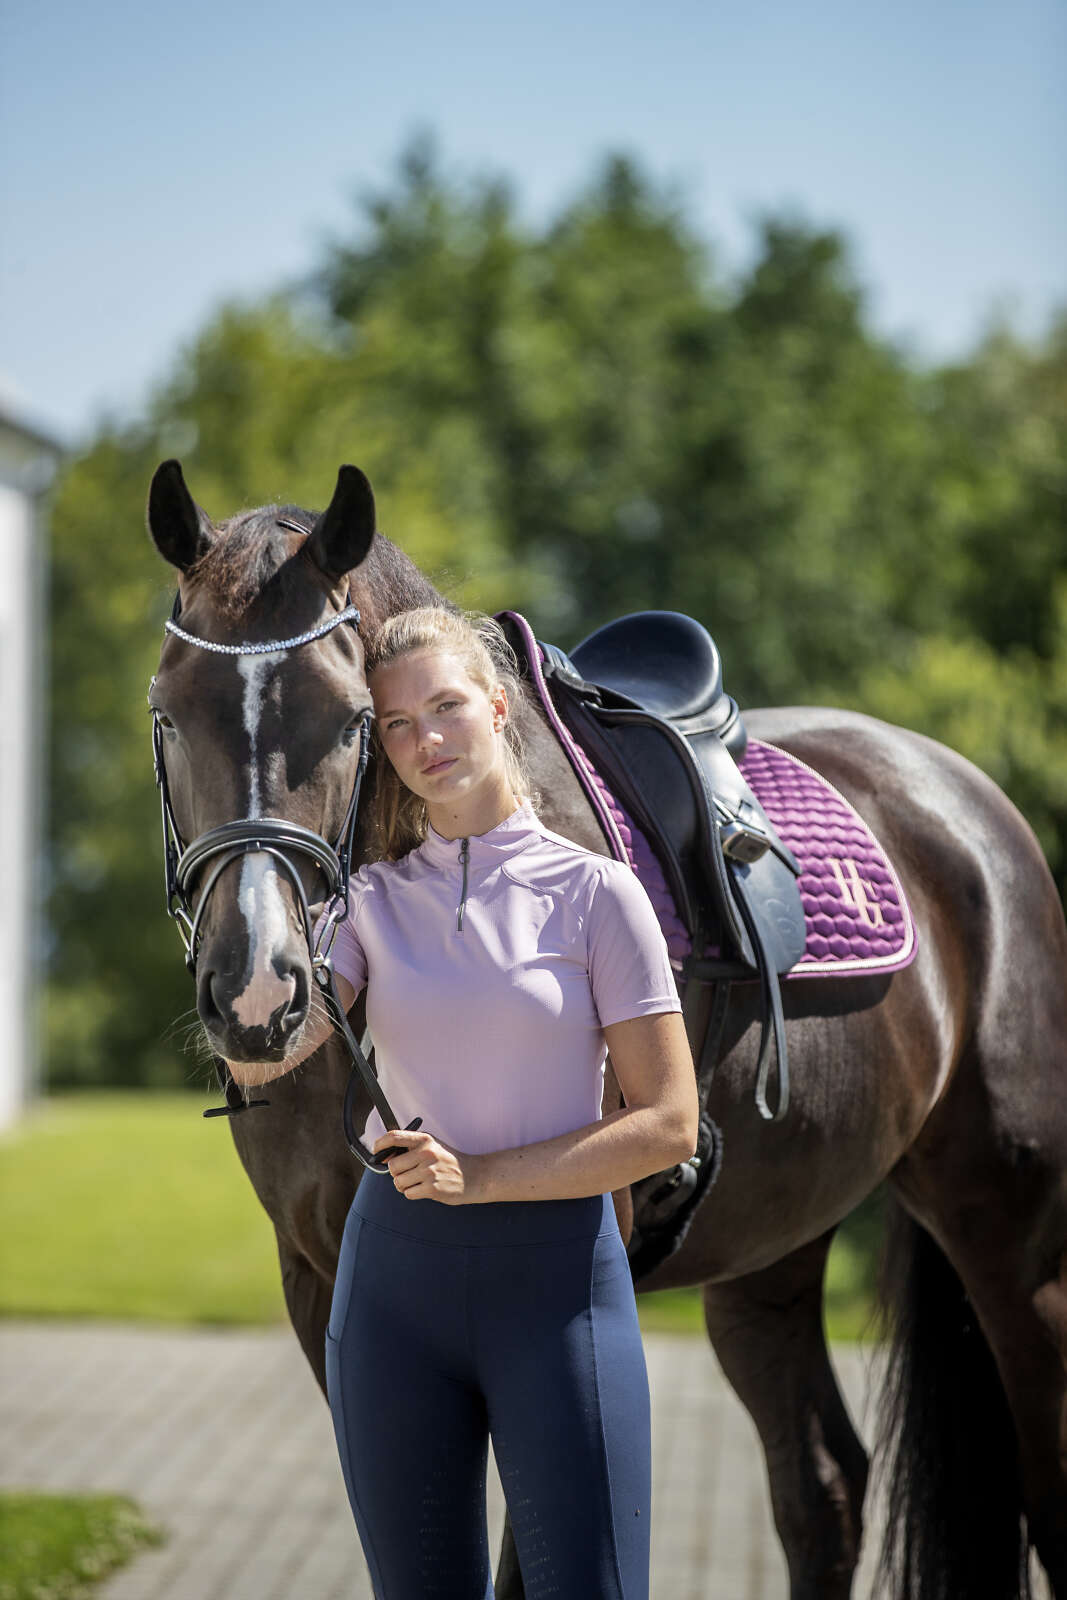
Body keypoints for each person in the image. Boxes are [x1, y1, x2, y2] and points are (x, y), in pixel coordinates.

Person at [228, 605, 699, 1599]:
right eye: (397, 724)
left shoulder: (598, 895)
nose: (425, 740)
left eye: (445, 707)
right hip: (393, 1294)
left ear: (497, 707)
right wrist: (240, 921)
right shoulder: (367, 903)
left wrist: (477, 1177)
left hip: (558, 1295)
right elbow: (264, 1059)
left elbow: (667, 1124)